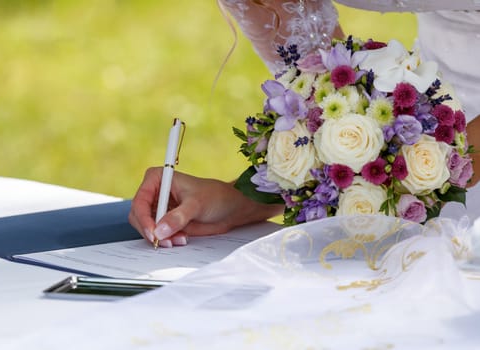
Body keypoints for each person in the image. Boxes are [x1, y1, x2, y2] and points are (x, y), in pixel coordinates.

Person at [129, 0, 480, 248]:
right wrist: (252, 195)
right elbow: (329, 96)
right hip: (427, 118)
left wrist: (425, 173)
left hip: (443, 157)